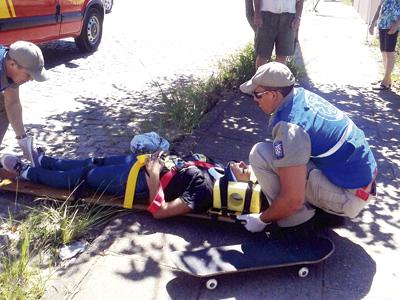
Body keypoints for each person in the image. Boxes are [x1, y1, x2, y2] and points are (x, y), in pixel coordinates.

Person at [236, 62, 377, 233]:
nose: (254, 99)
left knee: (260, 154)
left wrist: (261, 220)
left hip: (349, 197)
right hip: (360, 184)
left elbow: (292, 199)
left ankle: (294, 225)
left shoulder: (290, 129)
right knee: (283, 159)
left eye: (257, 94)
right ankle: (321, 211)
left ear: (273, 95)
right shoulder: (300, 96)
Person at [0, 151, 253, 219]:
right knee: (92, 161)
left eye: (249, 172)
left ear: (241, 189)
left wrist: (154, 176)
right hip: (143, 163)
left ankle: (27, 172)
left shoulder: (206, 190)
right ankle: (46, 161)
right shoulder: (217, 167)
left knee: (83, 177)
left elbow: (161, 211)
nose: (244, 164)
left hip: (138, 182)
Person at [0, 41, 48, 165]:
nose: (31, 79)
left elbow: (12, 103)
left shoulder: (10, 69)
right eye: (28, 74)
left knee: (3, 104)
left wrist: (23, 140)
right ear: (12, 64)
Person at [253, 0, 304, 68]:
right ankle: (260, 78)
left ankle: (278, 78)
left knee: (282, 56)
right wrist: (257, 14)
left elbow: (300, 1)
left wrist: (298, 17)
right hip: (266, 17)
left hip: (288, 18)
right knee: (262, 55)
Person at [369, 0, 400, 90]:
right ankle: (387, 79)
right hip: (382, 24)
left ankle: (385, 82)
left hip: (392, 24)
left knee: (389, 52)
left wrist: (396, 24)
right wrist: (372, 23)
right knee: (384, 51)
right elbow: (380, 6)